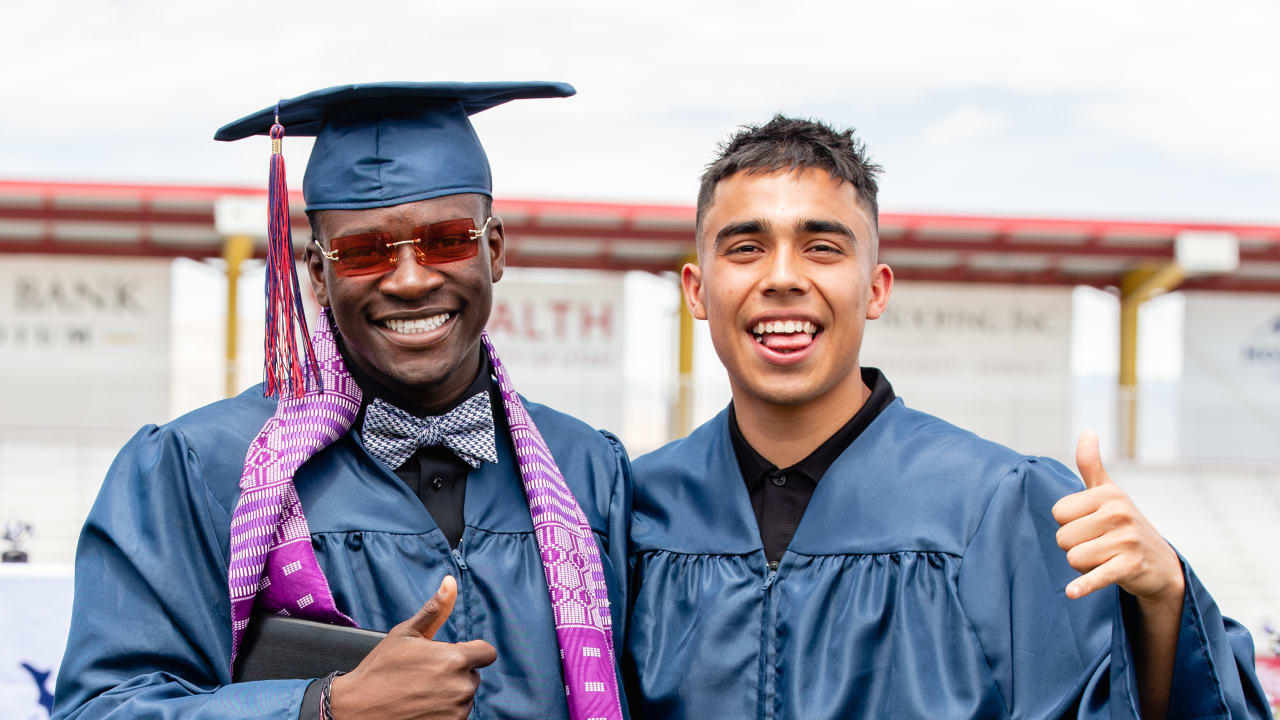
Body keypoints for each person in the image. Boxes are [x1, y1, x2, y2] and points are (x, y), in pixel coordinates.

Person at [624, 116, 1269, 719]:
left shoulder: (1006, 509)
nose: (784, 277)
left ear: (876, 289)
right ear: (697, 290)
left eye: (822, 247)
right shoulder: (636, 509)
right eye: (746, 248)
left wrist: (1164, 602)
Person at [53, 82, 629, 720]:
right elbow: (101, 708)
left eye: (447, 240)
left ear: (493, 250)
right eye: (362, 252)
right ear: (317, 274)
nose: (410, 280)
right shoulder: (200, 469)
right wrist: (325, 707)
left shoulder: (587, 470)